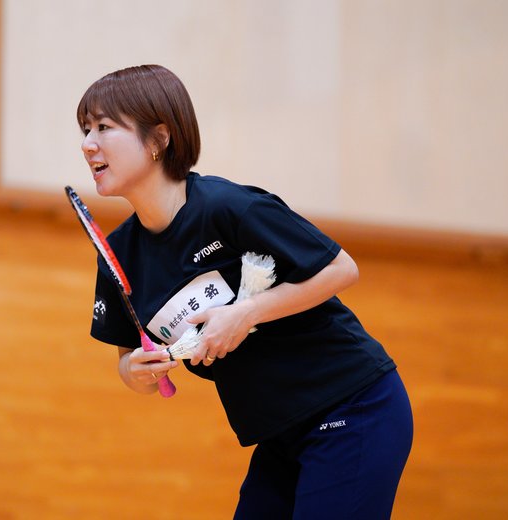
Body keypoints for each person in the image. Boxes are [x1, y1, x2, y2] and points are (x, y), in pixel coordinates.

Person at [79, 64, 413, 519]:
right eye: (85, 129)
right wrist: (134, 372)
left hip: (352, 405)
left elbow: (341, 269)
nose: (87, 143)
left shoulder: (228, 208)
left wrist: (247, 313)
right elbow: (127, 356)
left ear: (159, 139)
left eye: (103, 127)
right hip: (281, 431)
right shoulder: (118, 254)